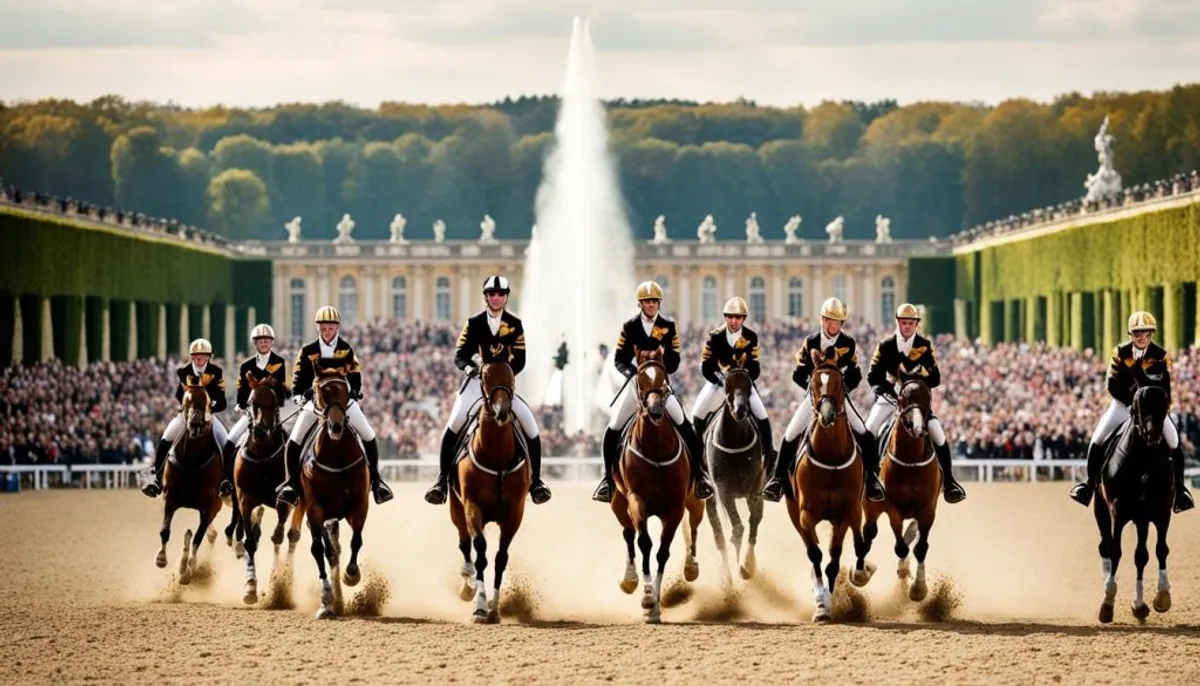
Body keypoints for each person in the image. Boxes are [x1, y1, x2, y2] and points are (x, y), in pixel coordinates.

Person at [424, 275, 551, 506]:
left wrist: (502, 376)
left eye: (500, 294)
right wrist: (471, 368)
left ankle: (536, 481)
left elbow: (520, 359)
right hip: (476, 386)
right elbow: (459, 354)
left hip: (503, 388)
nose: (495, 298)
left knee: (530, 426)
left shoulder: (515, 324)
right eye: (491, 294)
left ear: (505, 297)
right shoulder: (474, 322)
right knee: (453, 425)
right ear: (486, 297)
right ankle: (441, 482)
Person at [592, 281, 714, 503]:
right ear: (640, 304)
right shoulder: (629, 326)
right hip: (637, 387)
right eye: (647, 302)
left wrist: (659, 368)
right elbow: (619, 358)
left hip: (660, 386)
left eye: (654, 301)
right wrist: (634, 372)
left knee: (685, 426)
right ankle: (607, 481)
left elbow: (675, 358)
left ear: (659, 303)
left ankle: (699, 476)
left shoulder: (668, 325)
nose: (651, 305)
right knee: (613, 428)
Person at [1069, 311, 1194, 513]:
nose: (1141, 336)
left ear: (1151, 333)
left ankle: (1180, 492)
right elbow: (1112, 384)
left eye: (1145, 332)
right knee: (1097, 438)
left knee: (1174, 441)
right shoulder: (1119, 352)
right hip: (1122, 404)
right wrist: (1131, 403)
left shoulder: (1160, 355)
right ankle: (1089, 485)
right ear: (1131, 335)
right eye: (1137, 333)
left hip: (1151, 408)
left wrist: (1145, 388)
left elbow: (1163, 387)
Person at [762, 297, 882, 502]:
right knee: (790, 434)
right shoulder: (810, 342)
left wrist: (842, 390)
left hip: (839, 398)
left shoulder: (848, 343)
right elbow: (798, 374)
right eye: (827, 319)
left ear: (841, 324)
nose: (830, 324)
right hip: (814, 398)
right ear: (821, 320)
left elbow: (856, 374)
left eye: (835, 321)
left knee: (864, 432)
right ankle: (777, 479)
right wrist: (814, 390)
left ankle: (872, 479)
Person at [277, 305, 393, 507]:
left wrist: (355, 392)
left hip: (342, 403)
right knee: (294, 439)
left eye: (329, 327)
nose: (326, 331)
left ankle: (376, 480)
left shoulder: (346, 349)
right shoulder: (307, 350)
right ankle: (290, 483)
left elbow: (355, 377)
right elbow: (298, 379)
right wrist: (298, 396)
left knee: (368, 434)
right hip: (316, 403)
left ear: (337, 328)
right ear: (317, 328)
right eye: (322, 327)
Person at [864, 303, 965, 504]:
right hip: (891, 397)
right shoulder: (885, 345)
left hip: (915, 402)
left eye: (911, 323)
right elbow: (873, 375)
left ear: (916, 324)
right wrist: (886, 388)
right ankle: (869, 479)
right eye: (904, 323)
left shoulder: (925, 345)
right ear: (898, 323)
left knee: (938, 433)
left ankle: (950, 482)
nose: (907, 327)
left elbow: (936, 378)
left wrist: (919, 376)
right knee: (869, 430)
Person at [690, 296, 777, 471]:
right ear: (726, 317)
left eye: (738, 317)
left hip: (743, 386)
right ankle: (697, 460)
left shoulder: (751, 337)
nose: (734, 321)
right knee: (697, 414)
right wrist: (719, 380)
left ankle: (768, 458)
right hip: (719, 384)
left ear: (743, 319)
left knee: (762, 415)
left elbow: (756, 368)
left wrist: (744, 381)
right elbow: (706, 366)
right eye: (731, 317)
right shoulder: (715, 337)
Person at [140, 338, 228, 497]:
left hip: (208, 416)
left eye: (203, 355)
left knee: (225, 440)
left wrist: (209, 408)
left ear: (209, 357)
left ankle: (226, 479)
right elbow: (178, 394)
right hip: (187, 415)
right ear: (192, 357)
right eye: (196, 356)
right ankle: (157, 477)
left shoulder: (216, 372)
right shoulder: (184, 371)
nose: (199, 359)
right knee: (166, 437)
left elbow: (221, 400)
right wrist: (187, 408)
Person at [221, 324, 290, 496]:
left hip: (271, 414)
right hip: (252, 413)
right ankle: (225, 479)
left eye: (267, 340)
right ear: (255, 344)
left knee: (289, 441)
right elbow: (242, 390)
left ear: (272, 342)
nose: (264, 343)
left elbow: (282, 393)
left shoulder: (279, 362)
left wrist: (273, 387)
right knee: (230, 439)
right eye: (260, 341)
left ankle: (291, 481)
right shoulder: (246, 365)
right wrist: (242, 403)